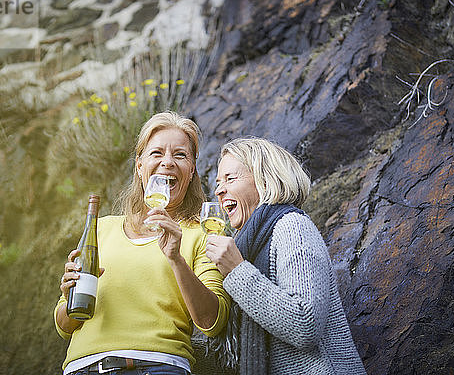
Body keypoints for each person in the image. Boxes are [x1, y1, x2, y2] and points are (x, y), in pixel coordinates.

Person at [54, 112, 231, 375]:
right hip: (83, 368)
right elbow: (63, 325)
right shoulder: (101, 229)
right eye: (156, 153)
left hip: (158, 366)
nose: (167, 162)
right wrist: (70, 297)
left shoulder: (201, 233)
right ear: (139, 166)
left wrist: (176, 259)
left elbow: (212, 321)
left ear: (192, 170)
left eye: (180, 155)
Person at [205, 137, 367, 375]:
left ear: (264, 180)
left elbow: (306, 324)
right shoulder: (248, 245)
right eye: (218, 183)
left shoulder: (292, 227)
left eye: (230, 178)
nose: (219, 190)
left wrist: (237, 270)